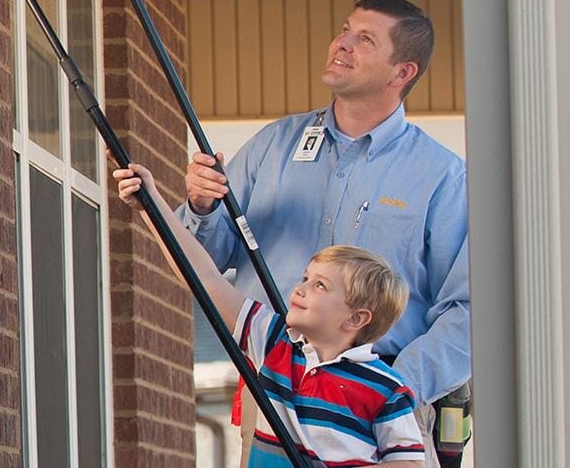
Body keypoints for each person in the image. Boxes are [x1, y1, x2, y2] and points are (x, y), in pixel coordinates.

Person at [180, 0, 470, 468]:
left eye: (365, 39)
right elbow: (202, 264)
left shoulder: (442, 177)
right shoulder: (272, 145)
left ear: (403, 73)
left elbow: (467, 308)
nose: (342, 43)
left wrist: (393, 387)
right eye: (345, 29)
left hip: (383, 407)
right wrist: (201, 205)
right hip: (274, 396)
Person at [115, 160, 425, 467]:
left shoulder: (387, 389)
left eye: (320, 286)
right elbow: (205, 277)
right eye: (305, 278)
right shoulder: (273, 341)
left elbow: (408, 464)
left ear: (356, 318)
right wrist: (150, 204)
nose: (299, 289)